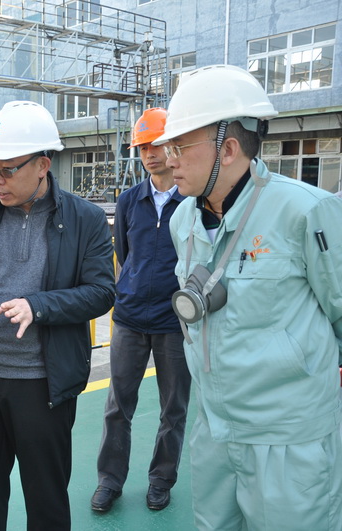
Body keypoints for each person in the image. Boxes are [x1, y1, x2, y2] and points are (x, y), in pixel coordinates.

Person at [152, 64, 342, 530]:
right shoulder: (182, 221)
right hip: (214, 428)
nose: (168, 159)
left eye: (179, 147)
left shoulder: (306, 211)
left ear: (229, 149)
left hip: (287, 436)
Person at [0, 100, 115, 530]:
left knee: (46, 498)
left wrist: (38, 306)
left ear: (42, 165)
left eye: (7, 170)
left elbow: (101, 293)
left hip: (44, 384)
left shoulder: (86, 220)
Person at [91, 108, 190, 513]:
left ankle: (161, 480)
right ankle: (109, 481)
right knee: (118, 405)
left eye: (156, 145)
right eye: (142, 147)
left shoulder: (193, 201)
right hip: (130, 318)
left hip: (174, 323)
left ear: (173, 147)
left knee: (173, 408)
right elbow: (125, 254)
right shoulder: (130, 200)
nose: (149, 153)